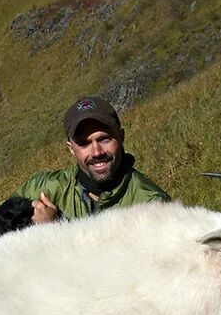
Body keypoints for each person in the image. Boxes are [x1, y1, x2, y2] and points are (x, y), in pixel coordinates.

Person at [14, 95, 170, 223]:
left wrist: (51, 230)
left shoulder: (152, 204)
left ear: (121, 137)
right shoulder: (42, 188)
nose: (97, 152)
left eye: (104, 139)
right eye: (84, 143)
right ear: (71, 148)